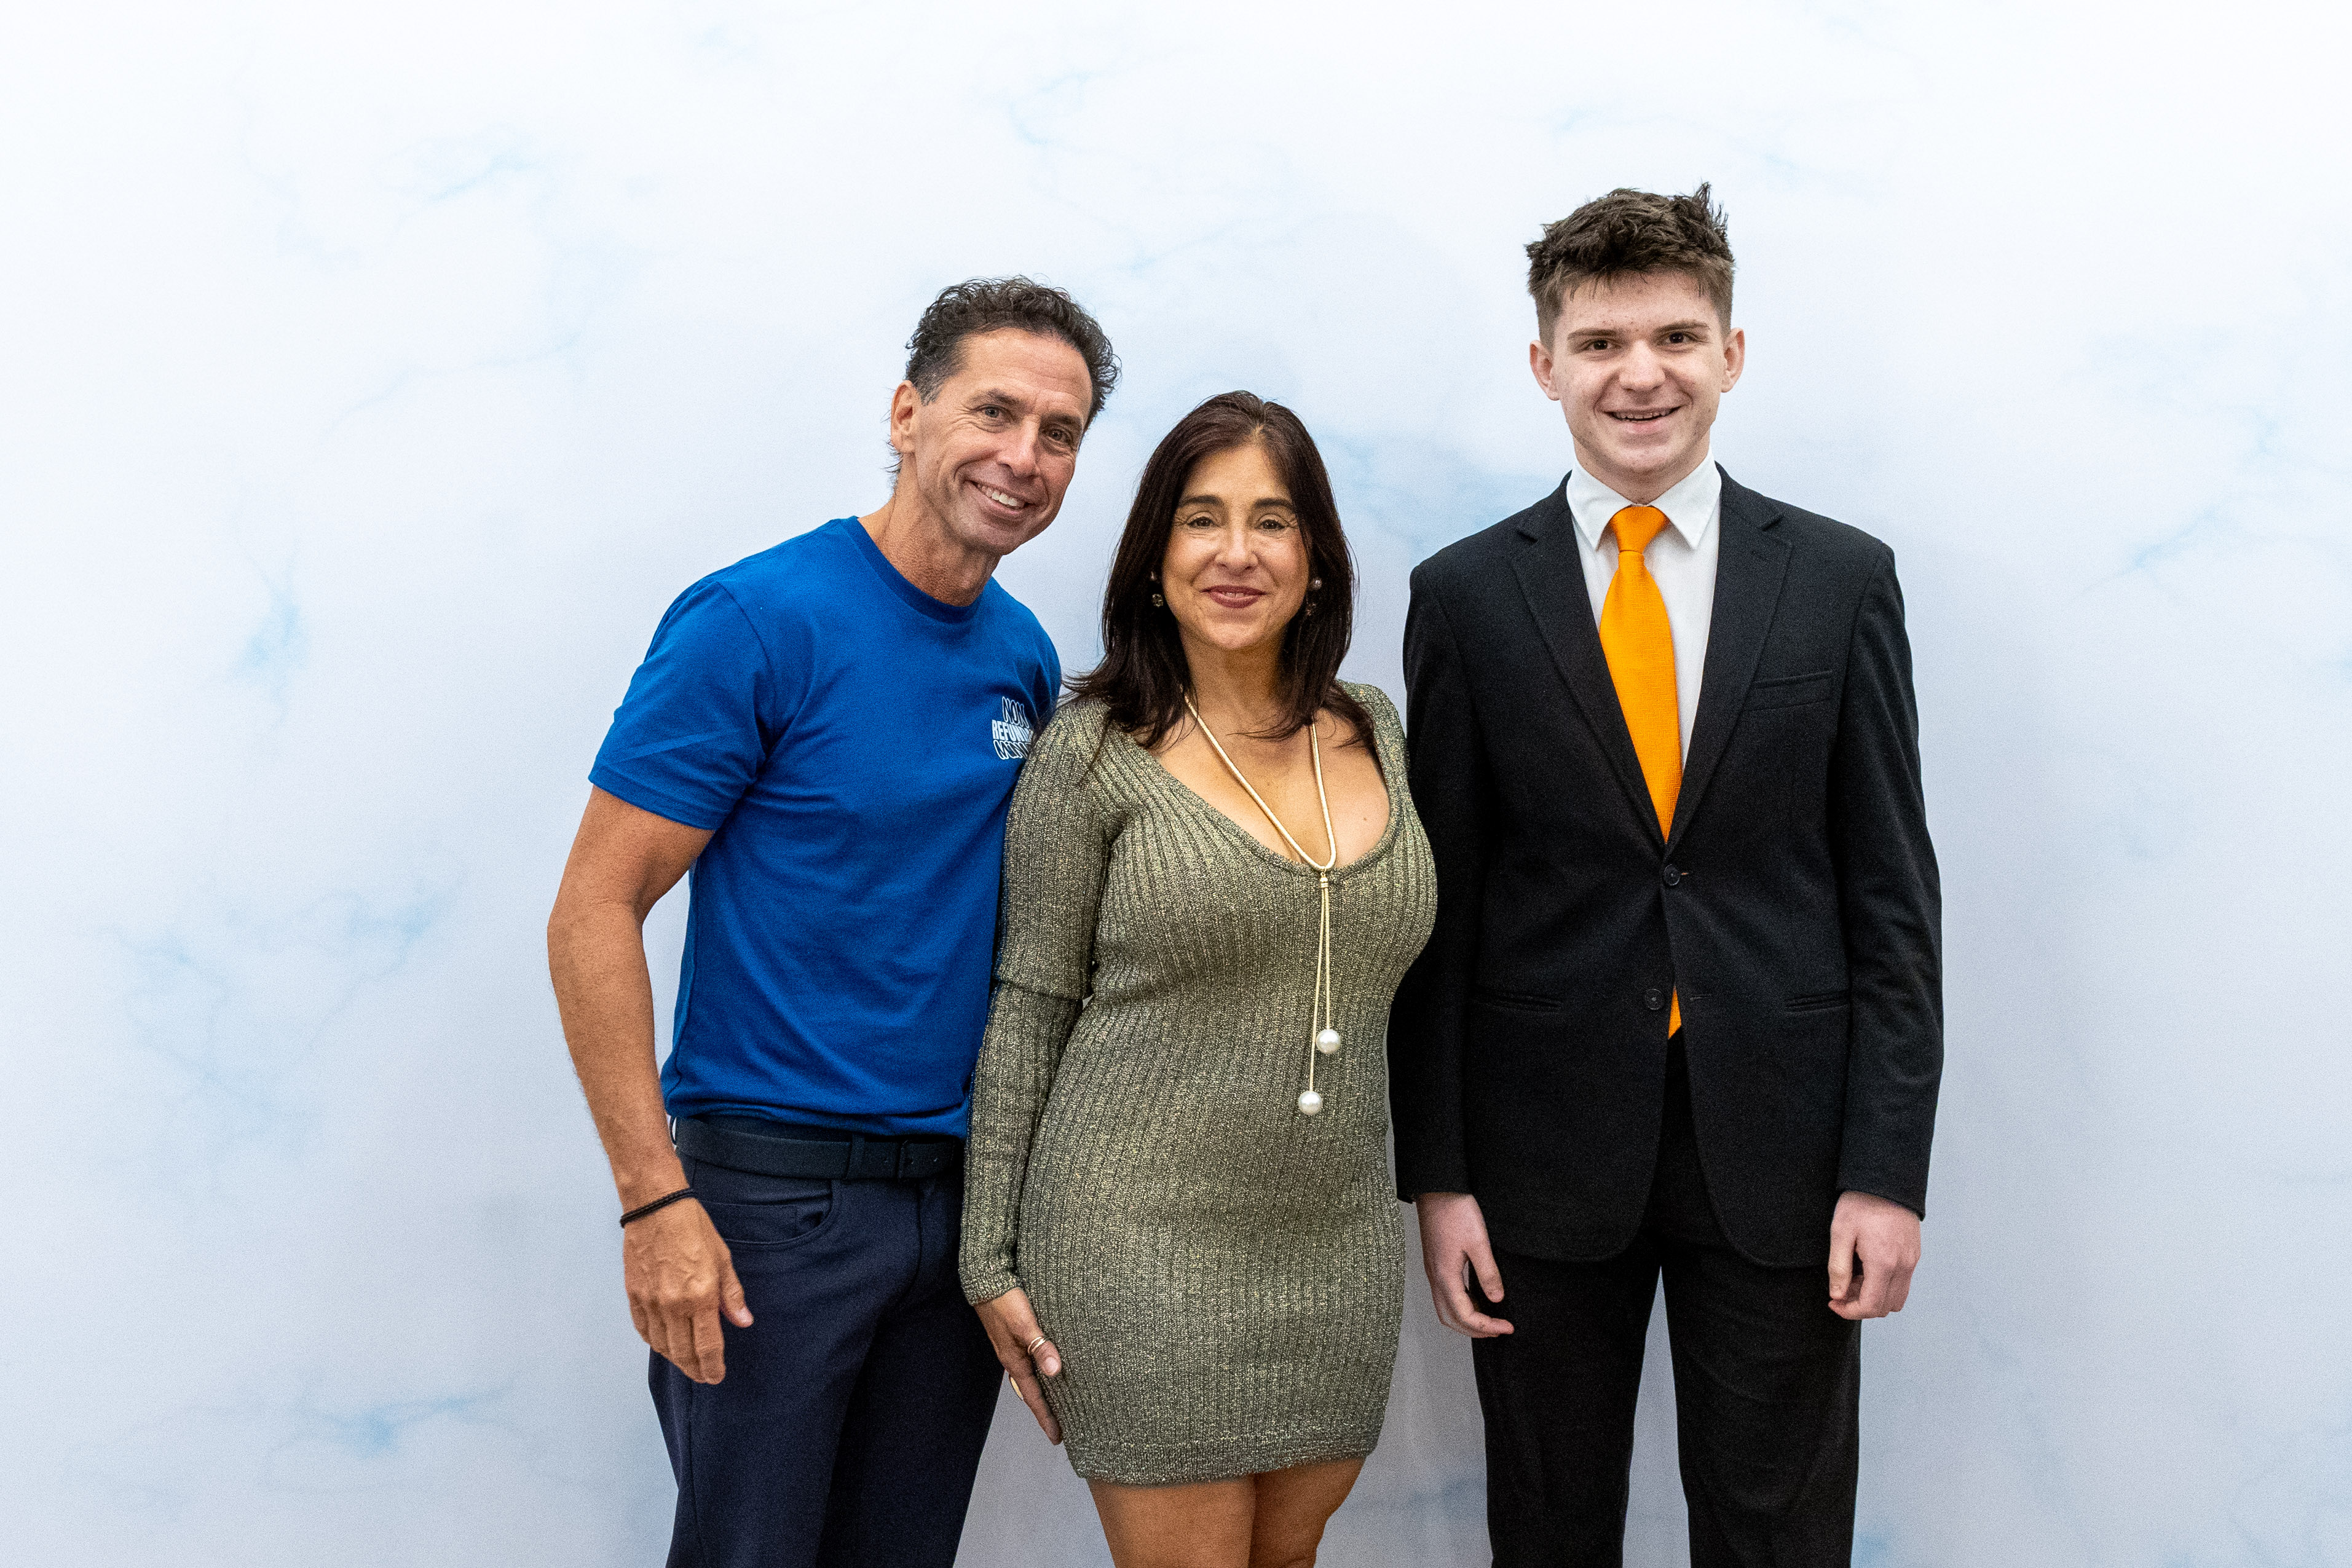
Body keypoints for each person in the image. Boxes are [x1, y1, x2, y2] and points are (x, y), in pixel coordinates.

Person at [1389, 184, 1943, 1564]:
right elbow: (1438, 910)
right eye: (1599, 343)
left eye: (1675, 337)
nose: (1639, 374)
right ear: (1544, 365)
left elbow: (1891, 898)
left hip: (1784, 1154)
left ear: (1730, 353)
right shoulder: (1464, 595)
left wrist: (1885, 1171)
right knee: (1548, 1526)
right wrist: (1438, 1175)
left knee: (1777, 1534)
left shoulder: (1838, 580)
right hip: (1536, 1155)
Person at [545, 276, 1116, 1568]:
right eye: (993, 412)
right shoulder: (757, 620)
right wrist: (653, 1202)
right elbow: (593, 908)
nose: (1023, 457)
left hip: (951, 1214)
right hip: (771, 1208)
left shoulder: (1021, 655)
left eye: (1059, 433)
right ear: (908, 414)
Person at [958, 392, 1437, 1568]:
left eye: (1271, 521)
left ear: (1315, 561)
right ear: (1153, 560)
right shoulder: (1092, 750)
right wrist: (986, 1256)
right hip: (1136, 1242)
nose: (1236, 552)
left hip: (1335, 1247)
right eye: (1201, 518)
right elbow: (1029, 1004)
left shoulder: (1377, 729)